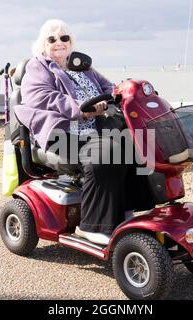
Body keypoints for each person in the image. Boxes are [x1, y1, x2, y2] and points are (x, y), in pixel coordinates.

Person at [14, 19, 129, 245]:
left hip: (93, 129)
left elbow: (109, 87)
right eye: (52, 39)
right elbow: (43, 97)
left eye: (64, 38)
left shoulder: (81, 66)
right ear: (43, 44)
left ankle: (125, 211)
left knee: (134, 146)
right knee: (105, 155)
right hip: (60, 131)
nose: (59, 42)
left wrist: (127, 92)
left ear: (71, 42)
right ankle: (91, 225)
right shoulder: (38, 66)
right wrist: (81, 108)